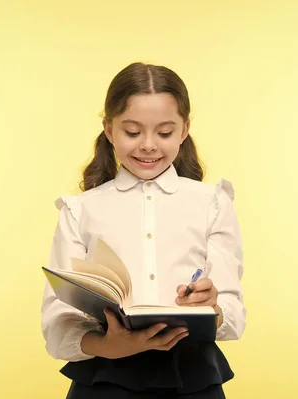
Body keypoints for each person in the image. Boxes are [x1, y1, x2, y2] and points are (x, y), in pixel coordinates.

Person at [41, 62, 246, 398]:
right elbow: (58, 314)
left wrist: (214, 308)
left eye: (165, 133)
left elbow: (233, 311)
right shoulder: (80, 210)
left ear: (184, 130)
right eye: (132, 132)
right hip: (106, 377)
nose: (149, 145)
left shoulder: (213, 202)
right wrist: (107, 346)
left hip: (192, 377)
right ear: (108, 129)